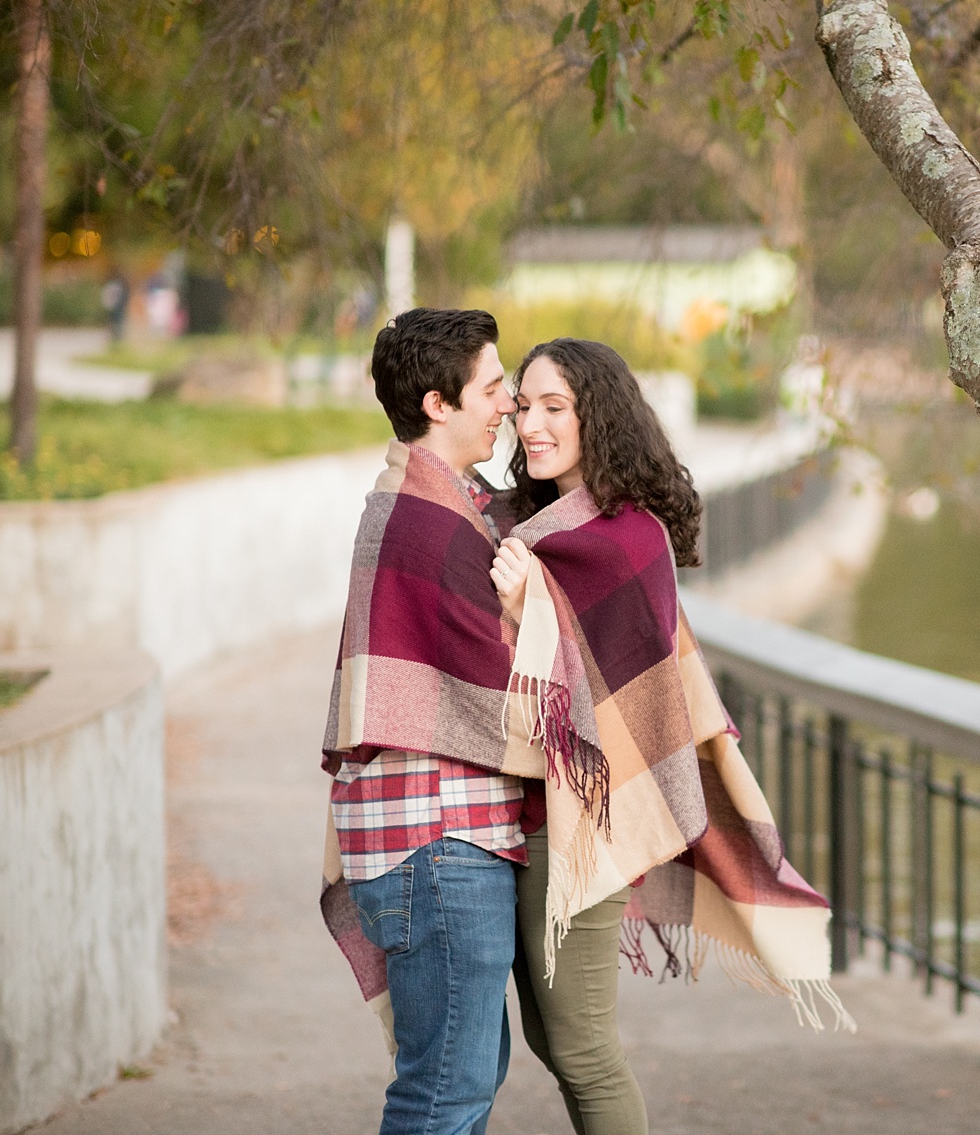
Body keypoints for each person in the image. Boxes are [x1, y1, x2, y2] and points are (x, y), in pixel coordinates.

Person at [487, 339, 851, 1135]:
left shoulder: (630, 539)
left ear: (600, 415)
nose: (534, 424)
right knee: (553, 1041)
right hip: (521, 818)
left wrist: (524, 609)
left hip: (587, 824)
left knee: (584, 1049)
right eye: (524, 405)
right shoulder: (529, 524)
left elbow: (614, 695)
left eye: (556, 407)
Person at [319, 307, 541, 1135]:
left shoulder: (426, 502)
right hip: (440, 846)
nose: (509, 405)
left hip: (428, 845)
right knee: (444, 1089)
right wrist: (526, 613)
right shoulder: (429, 523)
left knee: (462, 1076)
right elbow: (502, 685)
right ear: (439, 402)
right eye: (493, 388)